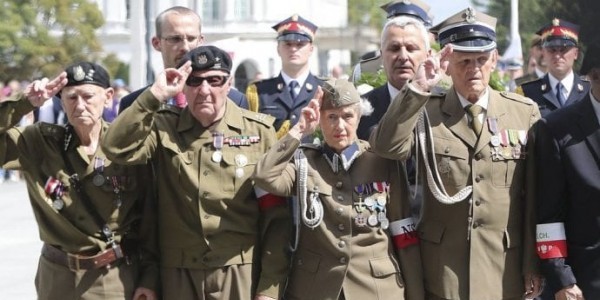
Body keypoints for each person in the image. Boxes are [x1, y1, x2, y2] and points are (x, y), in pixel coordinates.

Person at [369, 7, 543, 299]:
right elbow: (386, 147)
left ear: (495, 60)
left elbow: (534, 197)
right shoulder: (425, 109)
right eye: (463, 61)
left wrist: (532, 263)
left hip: (504, 266)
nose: (473, 68)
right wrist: (418, 88)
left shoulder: (522, 112)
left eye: (481, 60)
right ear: (447, 63)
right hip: (442, 268)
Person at [101, 45, 290, 300]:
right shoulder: (163, 126)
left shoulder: (259, 132)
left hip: (239, 274)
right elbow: (114, 147)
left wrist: (269, 288)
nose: (204, 91)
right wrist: (154, 95)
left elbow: (276, 219)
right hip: (179, 275)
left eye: (214, 81)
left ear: (229, 83)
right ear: (182, 86)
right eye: (194, 81)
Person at [253, 78, 424, 299]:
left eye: (347, 116)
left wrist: (416, 294)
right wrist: (299, 130)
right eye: (331, 117)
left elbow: (404, 233)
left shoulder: (382, 162)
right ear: (320, 120)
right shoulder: (305, 162)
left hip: (376, 289)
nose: (340, 126)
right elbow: (264, 175)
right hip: (316, 288)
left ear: (359, 116)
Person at [0, 62, 158, 299]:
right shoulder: (40, 142)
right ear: (61, 101)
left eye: (88, 96)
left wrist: (150, 278)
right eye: (71, 97)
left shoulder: (126, 146)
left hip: (113, 278)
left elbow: (149, 219)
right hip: (57, 278)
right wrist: (25, 102)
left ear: (108, 97)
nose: (80, 105)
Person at [534, 42, 600, 300]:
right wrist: (562, 279)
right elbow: (548, 216)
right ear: (594, 76)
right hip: (585, 283)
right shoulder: (557, 128)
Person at [119, 6, 248, 113]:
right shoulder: (133, 104)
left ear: (200, 41)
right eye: (175, 39)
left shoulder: (235, 100)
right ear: (156, 43)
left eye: (191, 38)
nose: (185, 47)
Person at [246, 14, 323, 139]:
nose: (293, 49)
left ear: (311, 49)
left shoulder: (323, 89)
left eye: (300, 44)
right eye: (287, 44)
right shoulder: (259, 92)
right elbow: (251, 136)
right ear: (278, 49)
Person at [519, 19, 590, 118]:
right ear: (543, 53)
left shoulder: (591, 90)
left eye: (563, 50)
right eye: (552, 50)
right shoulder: (526, 92)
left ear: (576, 53)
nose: (557, 56)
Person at [350, 0, 433, 85]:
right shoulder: (364, 69)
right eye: (395, 48)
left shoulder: (438, 73)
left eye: (411, 48)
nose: (403, 56)